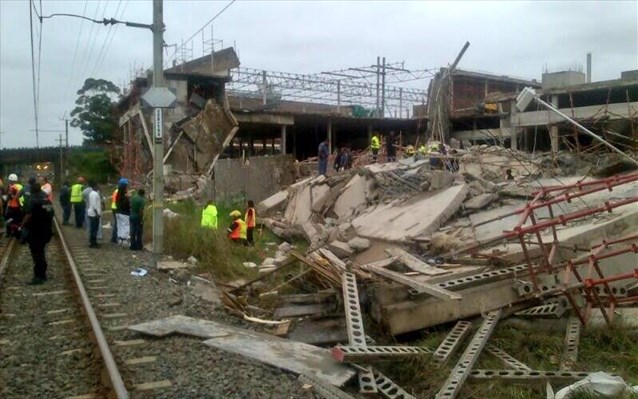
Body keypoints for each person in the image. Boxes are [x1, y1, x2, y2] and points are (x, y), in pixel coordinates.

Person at [22, 182, 54, 284]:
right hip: (45, 229)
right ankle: (42, 274)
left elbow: (29, 214)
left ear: (32, 190)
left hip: (35, 230)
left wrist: (22, 225)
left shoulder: (32, 200)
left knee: (36, 254)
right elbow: (51, 212)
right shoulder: (45, 197)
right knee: (41, 252)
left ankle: (38, 277)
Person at [5, 173, 24, 238]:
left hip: (11, 207)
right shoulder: (17, 187)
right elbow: (17, 198)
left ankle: (9, 232)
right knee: (17, 220)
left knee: (9, 219)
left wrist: (7, 200)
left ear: (10, 180)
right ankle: (17, 233)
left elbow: (9, 198)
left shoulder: (11, 187)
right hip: (16, 207)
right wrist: (20, 207)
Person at [115, 179, 131, 246]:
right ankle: (125, 241)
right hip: (124, 213)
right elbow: (127, 205)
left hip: (118, 212)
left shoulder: (118, 195)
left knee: (120, 226)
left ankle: (120, 239)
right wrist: (129, 199)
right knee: (126, 226)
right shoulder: (125, 197)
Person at [86, 182, 102, 248]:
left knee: (93, 229)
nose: (99, 186)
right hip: (94, 214)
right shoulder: (95, 194)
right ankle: (93, 243)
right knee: (94, 229)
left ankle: (92, 241)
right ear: (95, 186)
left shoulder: (91, 193)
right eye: (98, 185)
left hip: (91, 213)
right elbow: (94, 205)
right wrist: (97, 213)